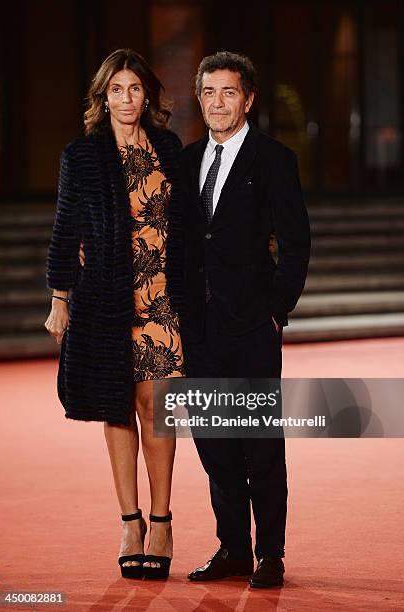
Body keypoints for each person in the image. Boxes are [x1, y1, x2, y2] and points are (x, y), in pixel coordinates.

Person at [44, 49, 184, 580]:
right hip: (105, 299)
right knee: (115, 407)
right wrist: (60, 300)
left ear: (147, 95)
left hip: (163, 300)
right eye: (117, 90)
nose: (127, 99)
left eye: (135, 89)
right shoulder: (81, 156)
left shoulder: (169, 149)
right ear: (103, 98)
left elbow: (189, 223)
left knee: (158, 408)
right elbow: (65, 231)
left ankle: (163, 519)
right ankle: (131, 522)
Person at [180, 51, 311, 588]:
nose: (217, 103)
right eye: (209, 93)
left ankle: (270, 554)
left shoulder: (275, 160)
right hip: (199, 329)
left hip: (253, 326)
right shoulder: (187, 162)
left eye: (228, 92)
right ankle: (232, 547)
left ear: (248, 99)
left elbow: (297, 243)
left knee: (260, 444)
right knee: (214, 445)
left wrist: (276, 308)